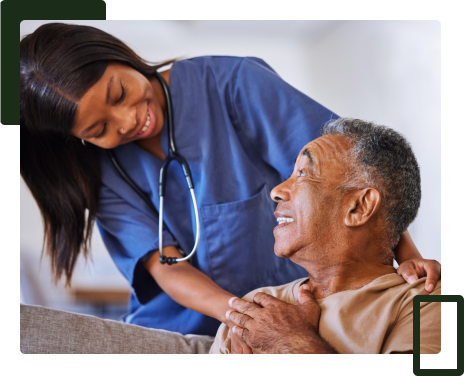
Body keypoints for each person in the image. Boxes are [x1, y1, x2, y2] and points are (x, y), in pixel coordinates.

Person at [20, 23, 441, 337]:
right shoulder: (102, 169)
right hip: (186, 329)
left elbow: (349, 175)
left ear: (115, 53)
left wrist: (406, 260)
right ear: (78, 140)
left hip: (297, 311)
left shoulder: (232, 85)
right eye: (98, 130)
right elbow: (165, 268)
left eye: (118, 94)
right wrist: (247, 318)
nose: (129, 121)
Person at [213, 119, 441, 354]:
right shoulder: (255, 309)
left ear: (359, 207)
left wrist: (289, 340)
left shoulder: (432, 301)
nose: (276, 191)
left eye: (302, 174)